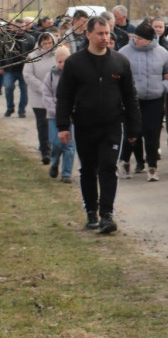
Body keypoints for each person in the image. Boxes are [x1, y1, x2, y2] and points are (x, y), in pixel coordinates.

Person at [55, 16, 141, 234]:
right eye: (100, 33)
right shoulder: (75, 62)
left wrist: (133, 128)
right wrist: (63, 125)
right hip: (84, 125)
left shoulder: (120, 62)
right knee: (88, 169)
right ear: (88, 34)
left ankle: (107, 214)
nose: (105, 38)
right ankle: (91, 212)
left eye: (108, 33)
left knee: (108, 167)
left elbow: (130, 96)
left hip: (112, 125)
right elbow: (64, 96)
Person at [120, 21, 168, 181]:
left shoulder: (162, 53)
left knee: (152, 134)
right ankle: (125, 162)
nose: (136, 40)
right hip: (133, 100)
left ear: (149, 39)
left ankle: (152, 167)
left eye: (140, 38)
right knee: (132, 133)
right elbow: (117, 75)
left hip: (155, 99)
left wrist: (162, 88)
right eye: (135, 37)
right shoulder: (124, 52)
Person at [43, 46, 76, 183]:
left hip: (71, 116)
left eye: (65, 61)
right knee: (56, 143)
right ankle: (55, 163)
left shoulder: (75, 76)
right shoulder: (50, 76)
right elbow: (47, 95)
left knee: (69, 145)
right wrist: (56, 110)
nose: (63, 64)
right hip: (54, 115)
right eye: (60, 61)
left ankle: (66, 173)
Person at [25, 31, 59, 164]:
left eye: (49, 42)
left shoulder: (57, 56)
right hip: (38, 97)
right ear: (39, 44)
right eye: (44, 43)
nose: (47, 45)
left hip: (55, 96)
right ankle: (45, 151)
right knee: (42, 124)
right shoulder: (32, 56)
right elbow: (28, 75)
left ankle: (54, 148)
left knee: (54, 124)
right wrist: (43, 87)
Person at [1, 19, 34, 118]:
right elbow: (1, 53)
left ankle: (21, 110)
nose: (20, 28)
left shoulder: (30, 38)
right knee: (8, 88)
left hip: (24, 69)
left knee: (24, 90)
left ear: (25, 26)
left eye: (23, 26)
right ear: (14, 27)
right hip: (9, 69)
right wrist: (1, 66)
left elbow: (33, 53)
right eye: (18, 26)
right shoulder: (6, 38)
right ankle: (10, 108)